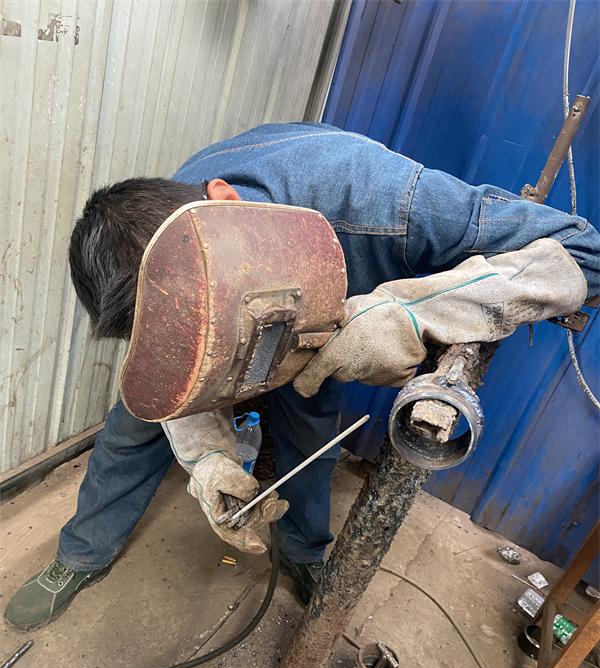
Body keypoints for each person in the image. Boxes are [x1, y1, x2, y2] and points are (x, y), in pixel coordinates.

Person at [5, 122, 598, 630]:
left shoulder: (387, 203)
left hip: (332, 304)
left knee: (310, 427)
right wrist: (207, 457)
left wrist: (415, 312)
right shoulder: (165, 236)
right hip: (261, 279)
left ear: (225, 203)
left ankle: (302, 551)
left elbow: (583, 252)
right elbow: (178, 363)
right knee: (137, 420)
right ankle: (82, 552)